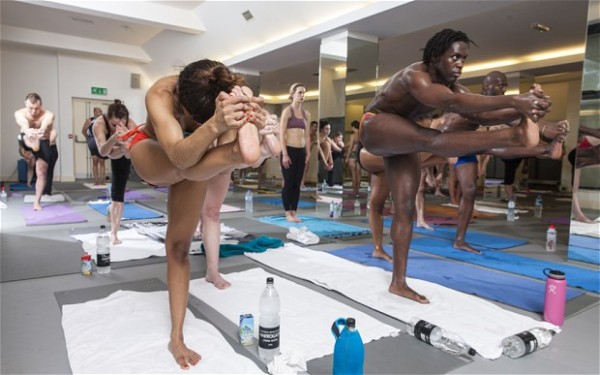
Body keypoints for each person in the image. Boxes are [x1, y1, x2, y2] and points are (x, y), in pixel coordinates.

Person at [359, 29, 550, 304]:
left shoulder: (453, 85)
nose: (460, 63)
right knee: (432, 140)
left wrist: (526, 108)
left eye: (464, 58)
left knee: (406, 208)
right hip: (375, 126)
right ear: (436, 57)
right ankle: (514, 136)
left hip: (403, 138)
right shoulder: (416, 76)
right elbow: (451, 102)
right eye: (455, 57)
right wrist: (514, 101)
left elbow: (481, 113)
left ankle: (398, 283)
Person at [124, 59, 269, 370]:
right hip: (152, 151)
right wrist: (215, 125)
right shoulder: (161, 94)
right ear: (181, 101)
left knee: (178, 247)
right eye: (195, 119)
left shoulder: (224, 87)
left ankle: (176, 336)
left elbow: (194, 157)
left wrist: (250, 117)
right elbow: (177, 154)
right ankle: (237, 154)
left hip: (196, 162)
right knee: (184, 163)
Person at [438, 71, 569, 253]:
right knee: (491, 145)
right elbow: (484, 115)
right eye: (500, 85)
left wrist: (536, 116)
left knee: (470, 190)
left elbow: (512, 119)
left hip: (466, 147)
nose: (504, 89)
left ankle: (459, 240)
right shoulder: (470, 99)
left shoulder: (495, 108)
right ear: (486, 86)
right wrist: (540, 120)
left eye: (505, 86)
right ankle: (545, 149)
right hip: (442, 142)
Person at [92, 100, 137, 245]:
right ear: (108, 118)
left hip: (121, 150)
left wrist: (126, 143)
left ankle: (111, 210)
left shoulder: (131, 124)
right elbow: (103, 152)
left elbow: (132, 152)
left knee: (119, 195)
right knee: (110, 153)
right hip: (104, 146)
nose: (117, 127)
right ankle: (114, 234)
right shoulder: (99, 124)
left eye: (121, 124)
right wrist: (114, 137)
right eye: (114, 125)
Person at [14, 93, 58, 211]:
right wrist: (28, 131)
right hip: (27, 137)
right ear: (25, 105)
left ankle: (36, 202)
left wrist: (41, 130)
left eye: (37, 108)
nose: (34, 111)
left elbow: (45, 124)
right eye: (30, 108)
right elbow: (22, 122)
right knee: (25, 136)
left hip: (42, 140)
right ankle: (33, 143)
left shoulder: (48, 114)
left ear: (41, 105)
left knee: (41, 172)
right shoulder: (19, 113)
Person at [279, 83, 311, 223]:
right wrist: (285, 154)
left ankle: (294, 212)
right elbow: (282, 134)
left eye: (303, 92)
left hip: (301, 151)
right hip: (289, 150)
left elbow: (308, 135)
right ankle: (287, 212)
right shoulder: (287, 111)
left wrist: (308, 153)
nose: (302, 95)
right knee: (289, 182)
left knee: (297, 183)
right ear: (292, 94)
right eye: (299, 92)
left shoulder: (306, 114)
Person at [568, 125, 600, 223]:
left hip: (586, 156)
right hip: (577, 156)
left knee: (575, 187)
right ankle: (579, 216)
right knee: (575, 187)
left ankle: (579, 216)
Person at [82, 107, 107, 186]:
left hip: (101, 140)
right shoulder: (89, 120)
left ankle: (102, 181)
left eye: (101, 111)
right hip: (93, 140)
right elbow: (83, 131)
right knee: (95, 161)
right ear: (94, 112)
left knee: (102, 161)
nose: (100, 112)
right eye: (99, 111)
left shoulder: (104, 120)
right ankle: (96, 181)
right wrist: (88, 138)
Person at [300, 120, 319, 190]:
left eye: (317, 127)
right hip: (302, 152)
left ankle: (302, 183)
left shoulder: (315, 135)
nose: (316, 128)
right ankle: (301, 184)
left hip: (307, 153)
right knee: (303, 169)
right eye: (315, 127)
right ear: (311, 127)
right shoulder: (307, 134)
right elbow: (307, 146)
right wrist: (314, 142)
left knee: (306, 168)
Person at [345, 120, 361, 197]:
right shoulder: (363, 134)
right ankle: (358, 192)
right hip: (361, 154)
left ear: (353, 127)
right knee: (359, 174)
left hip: (353, 154)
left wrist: (347, 157)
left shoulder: (353, 135)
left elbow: (351, 147)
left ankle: (354, 192)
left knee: (353, 175)